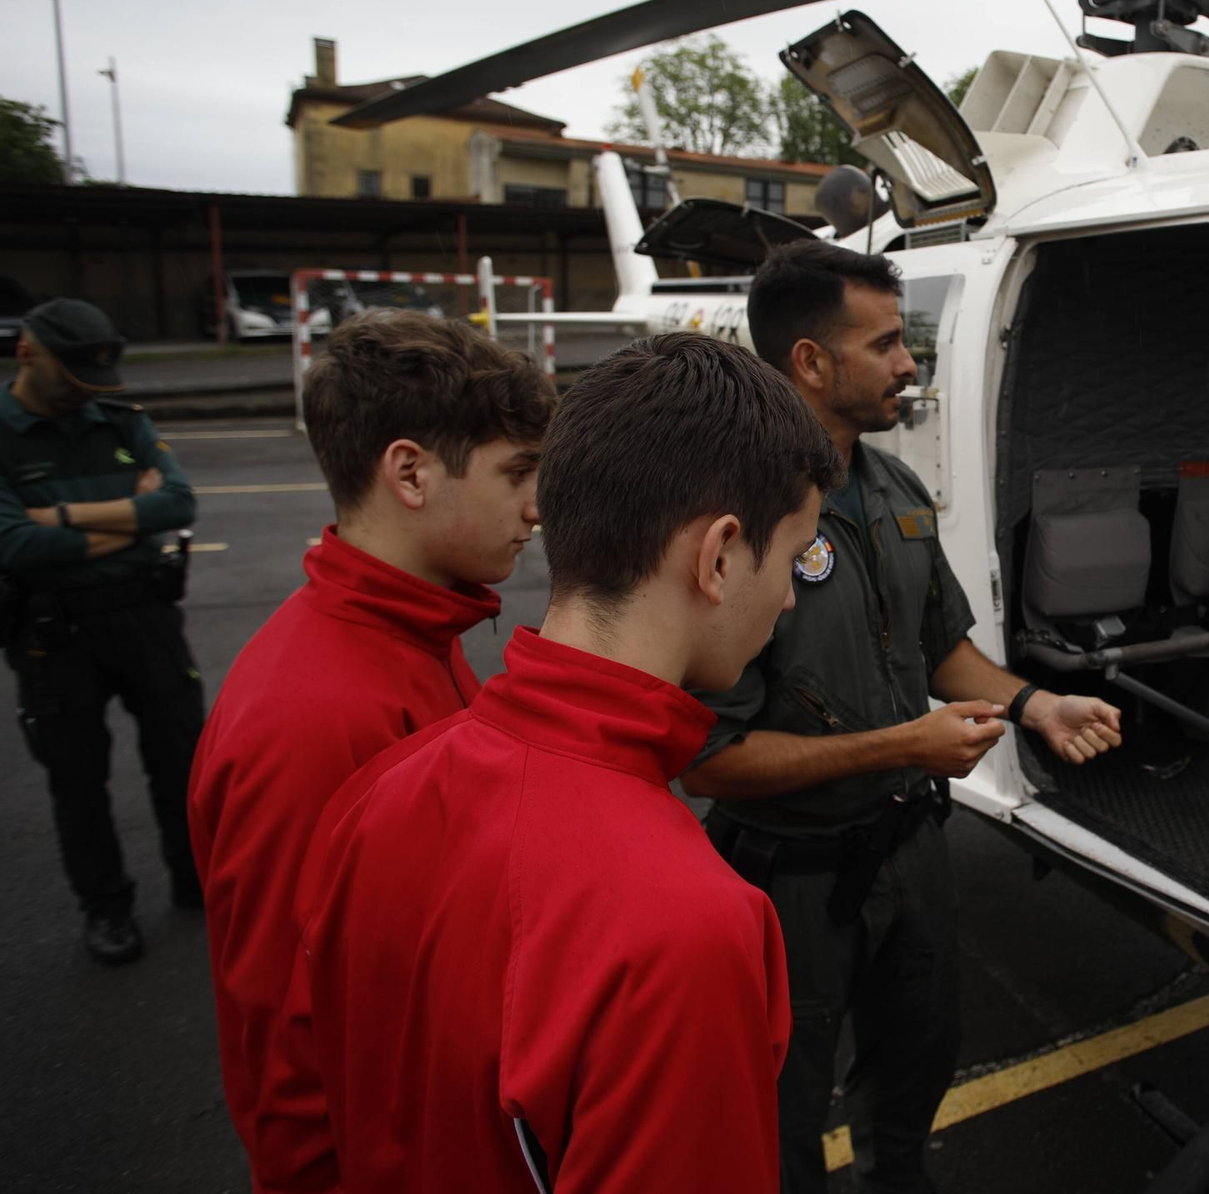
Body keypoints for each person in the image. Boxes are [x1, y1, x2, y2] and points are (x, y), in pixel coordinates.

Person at [284, 333, 841, 1192]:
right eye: (795, 555)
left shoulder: (377, 789)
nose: (790, 593)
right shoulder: (690, 929)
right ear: (720, 555)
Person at [683, 240, 1123, 1194]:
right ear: (809, 361)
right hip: (786, 876)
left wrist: (1036, 701)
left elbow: (941, 647)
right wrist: (906, 744)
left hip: (909, 855)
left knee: (914, 1073)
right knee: (780, 1110)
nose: (910, 362)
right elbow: (709, 761)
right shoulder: (733, 520)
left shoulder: (895, 490)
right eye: (885, 343)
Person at [186, 311, 552, 1188]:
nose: (536, 507)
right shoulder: (314, 718)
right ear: (411, 472)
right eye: (516, 474)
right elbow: (287, 1042)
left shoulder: (415, 634)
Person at [0, 298, 202, 965]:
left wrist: (60, 518)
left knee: (180, 753)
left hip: (143, 614)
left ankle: (193, 877)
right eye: (73, 371)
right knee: (76, 777)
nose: (88, 386)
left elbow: (176, 503)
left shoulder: (119, 418)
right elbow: (16, 547)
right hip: (52, 631)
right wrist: (128, 522)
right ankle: (106, 907)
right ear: (28, 353)